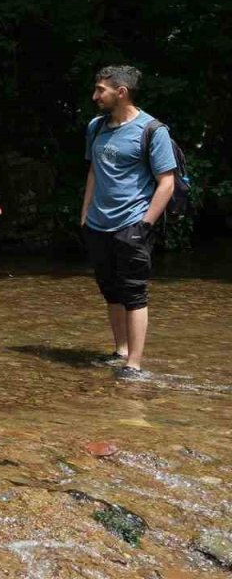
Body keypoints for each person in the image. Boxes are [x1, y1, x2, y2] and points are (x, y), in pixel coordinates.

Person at [81, 65, 176, 379]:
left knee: (134, 293)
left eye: (101, 90)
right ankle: (119, 350)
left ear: (121, 92)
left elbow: (167, 183)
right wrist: (84, 215)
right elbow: (94, 171)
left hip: (132, 223)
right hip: (97, 224)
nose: (95, 95)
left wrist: (145, 225)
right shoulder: (96, 127)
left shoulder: (153, 130)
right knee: (110, 289)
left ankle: (134, 364)